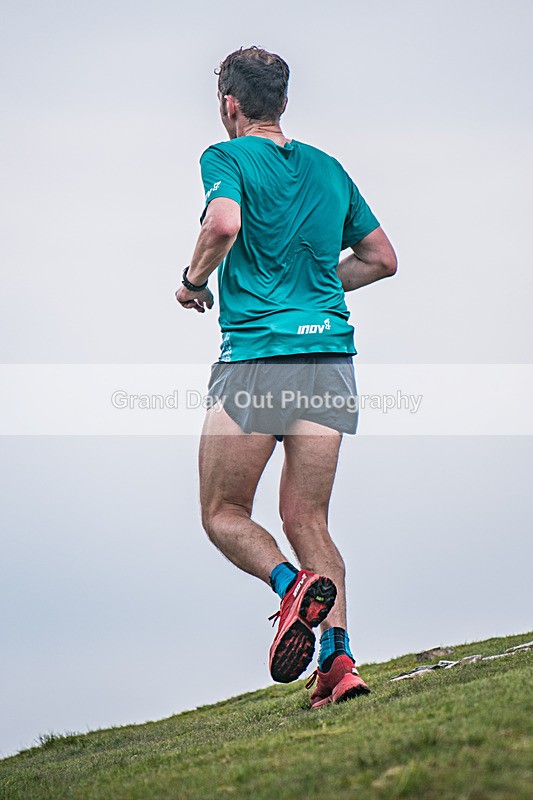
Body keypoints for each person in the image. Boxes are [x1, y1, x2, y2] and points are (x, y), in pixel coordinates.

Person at [175, 47, 397, 708]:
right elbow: (381, 259)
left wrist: (191, 281)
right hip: (329, 356)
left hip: (258, 358)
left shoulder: (225, 158)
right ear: (283, 103)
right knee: (308, 517)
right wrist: (318, 285)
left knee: (221, 514)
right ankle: (337, 664)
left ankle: (287, 586)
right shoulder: (329, 170)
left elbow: (222, 222)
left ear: (229, 104)